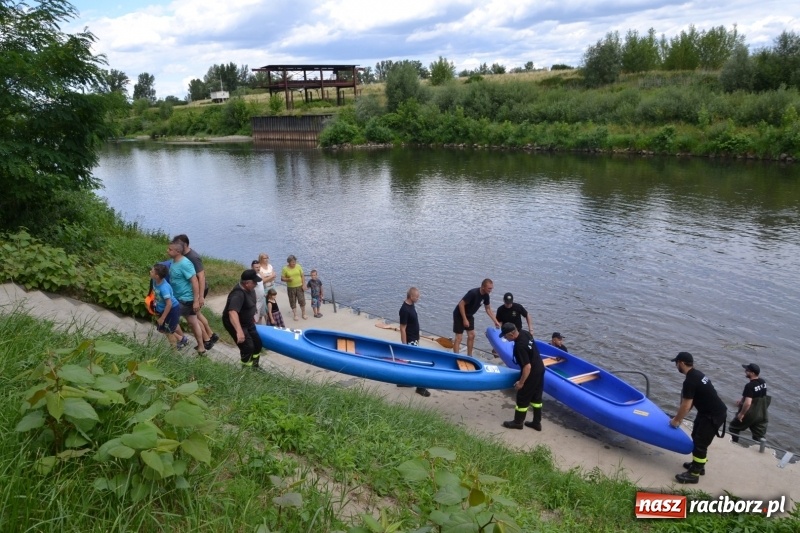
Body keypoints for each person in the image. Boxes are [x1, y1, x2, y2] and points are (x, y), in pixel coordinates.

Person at [669, 351, 728, 484]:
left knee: (701, 443)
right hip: (707, 412)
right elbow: (693, 401)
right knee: (696, 436)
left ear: (682, 363)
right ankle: (698, 466)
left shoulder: (690, 381)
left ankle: (694, 474)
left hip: (713, 415)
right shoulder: (698, 374)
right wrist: (682, 417)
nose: (676, 366)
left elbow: (685, 405)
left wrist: (676, 420)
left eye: (676, 363)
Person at [172, 234, 219, 350]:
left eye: (179, 244)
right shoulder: (183, 256)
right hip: (192, 290)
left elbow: (201, 277)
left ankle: (207, 340)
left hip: (197, 290)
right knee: (196, 315)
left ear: (186, 245)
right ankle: (210, 336)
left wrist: (199, 297)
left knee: (194, 317)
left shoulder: (193, 257)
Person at [499, 323, 545, 431]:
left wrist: (521, 382)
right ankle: (536, 423)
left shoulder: (520, 346)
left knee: (522, 397)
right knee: (536, 398)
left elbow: (527, 367)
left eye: (505, 336)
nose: (505, 338)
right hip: (540, 368)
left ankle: (518, 422)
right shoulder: (525, 333)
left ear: (511, 334)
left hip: (531, 372)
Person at [166, 240, 208, 355]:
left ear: (178, 251)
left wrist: (196, 300)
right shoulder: (174, 261)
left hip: (185, 299)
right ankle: (201, 347)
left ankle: (180, 341)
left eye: (170, 249)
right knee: (193, 322)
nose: (167, 251)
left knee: (166, 318)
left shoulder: (185, 263)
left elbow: (194, 281)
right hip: (179, 297)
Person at [222, 269, 263, 369]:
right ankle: (245, 371)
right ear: (246, 283)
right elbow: (232, 312)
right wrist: (239, 331)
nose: (256, 284)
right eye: (254, 282)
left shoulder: (250, 289)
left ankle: (255, 366)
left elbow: (251, 303)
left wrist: (253, 314)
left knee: (257, 344)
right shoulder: (238, 294)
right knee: (248, 347)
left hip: (247, 321)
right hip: (236, 323)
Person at [453, 279, 501, 356]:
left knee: (472, 335)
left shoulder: (486, 296)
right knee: (459, 337)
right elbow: (461, 304)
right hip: (459, 314)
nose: (491, 290)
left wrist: (495, 321)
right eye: (489, 288)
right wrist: (464, 319)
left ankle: (469, 356)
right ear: (483, 287)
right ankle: (455, 356)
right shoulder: (473, 293)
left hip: (469, 315)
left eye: (491, 288)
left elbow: (488, 309)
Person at [398, 287, 431, 397]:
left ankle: (403, 381)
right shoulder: (404, 310)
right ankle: (420, 388)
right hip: (410, 341)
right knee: (418, 364)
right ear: (411, 297)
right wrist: (404, 345)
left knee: (410, 362)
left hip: (414, 338)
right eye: (417, 296)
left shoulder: (411, 305)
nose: (418, 298)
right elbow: (402, 328)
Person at [729, 363, 770, 443]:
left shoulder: (749, 386)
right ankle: (761, 449)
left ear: (752, 373)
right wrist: (741, 402)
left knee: (733, 428)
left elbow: (748, 403)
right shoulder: (763, 382)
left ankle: (734, 444)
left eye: (747, 370)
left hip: (751, 413)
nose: (745, 371)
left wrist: (741, 414)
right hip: (762, 413)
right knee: (759, 435)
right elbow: (758, 396)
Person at [149, 263, 182, 348]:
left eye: (152, 271)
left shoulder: (164, 288)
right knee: (162, 329)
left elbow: (169, 304)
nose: (150, 272)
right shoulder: (154, 281)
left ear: (157, 276)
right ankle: (181, 338)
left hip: (171, 309)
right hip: (162, 308)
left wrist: (162, 318)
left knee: (168, 331)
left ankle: (174, 352)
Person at [281, 254, 307, 320]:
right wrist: (288, 279)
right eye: (292, 262)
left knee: (302, 300)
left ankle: (303, 313)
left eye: (295, 261)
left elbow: (302, 276)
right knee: (292, 301)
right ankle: (295, 315)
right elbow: (282, 278)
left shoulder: (298, 266)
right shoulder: (285, 269)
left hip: (299, 286)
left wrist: (304, 284)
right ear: (288, 262)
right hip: (291, 288)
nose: (294, 263)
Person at [251, 259, 268, 325]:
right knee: (255, 318)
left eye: (259, 267)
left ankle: (261, 327)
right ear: (252, 267)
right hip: (256, 301)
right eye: (256, 267)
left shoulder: (259, 274)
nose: (258, 269)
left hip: (262, 299)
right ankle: (256, 329)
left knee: (261, 315)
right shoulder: (251, 277)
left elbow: (262, 283)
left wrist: (264, 293)